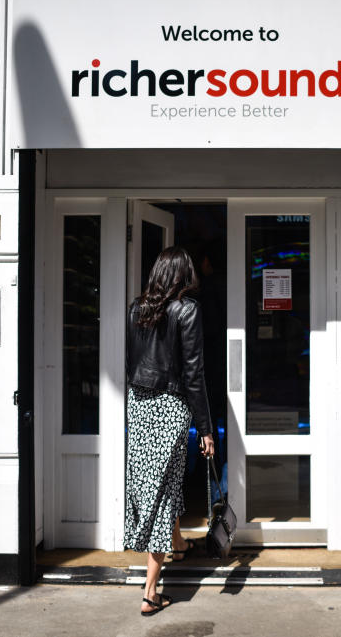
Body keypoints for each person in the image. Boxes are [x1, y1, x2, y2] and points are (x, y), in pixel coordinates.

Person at [124, 246, 214, 617]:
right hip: (169, 406)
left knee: (161, 482)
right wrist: (206, 428)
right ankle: (150, 591)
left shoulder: (137, 308)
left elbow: (133, 361)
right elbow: (193, 374)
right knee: (163, 491)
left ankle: (176, 542)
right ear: (183, 274)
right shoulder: (187, 309)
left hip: (138, 402)